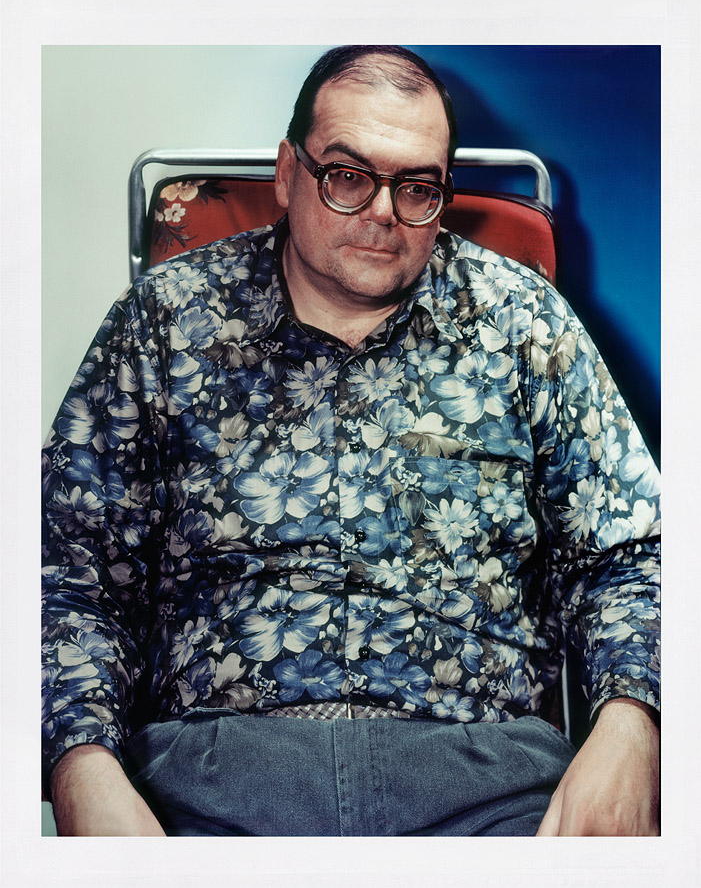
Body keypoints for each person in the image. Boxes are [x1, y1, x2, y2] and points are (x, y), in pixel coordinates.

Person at [42, 45, 660, 837]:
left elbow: (633, 556)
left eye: (417, 187)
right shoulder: (163, 323)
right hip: (209, 785)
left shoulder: (521, 321)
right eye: (347, 175)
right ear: (287, 173)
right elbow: (67, 576)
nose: (381, 212)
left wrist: (632, 729)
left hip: (490, 783)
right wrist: (82, 773)